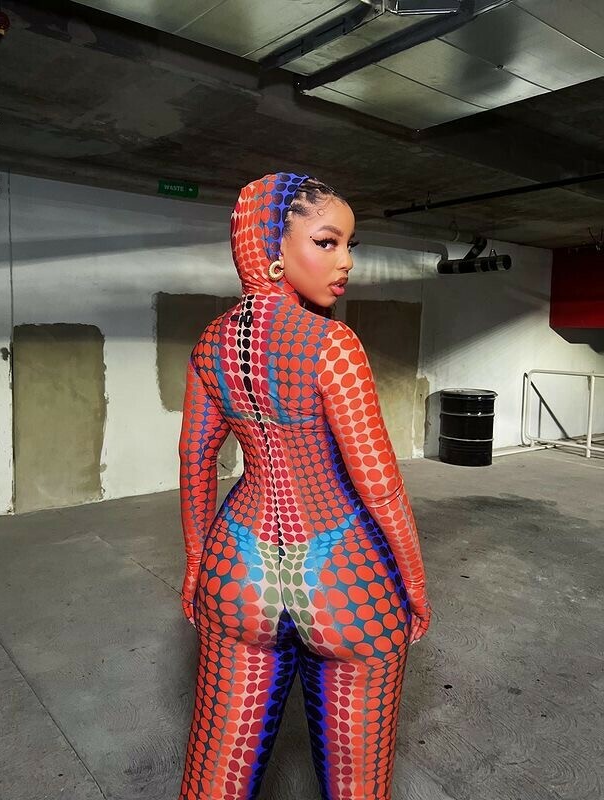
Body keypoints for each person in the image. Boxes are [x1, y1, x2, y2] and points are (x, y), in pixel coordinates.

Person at [177, 171, 432, 800]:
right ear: (273, 247)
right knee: (358, 782)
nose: (346, 261)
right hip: (345, 575)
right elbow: (379, 484)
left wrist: (195, 563)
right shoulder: (332, 344)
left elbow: (195, 459)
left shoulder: (210, 344)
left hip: (237, 570)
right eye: (327, 241)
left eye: (349, 244)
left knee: (216, 772)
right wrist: (415, 581)